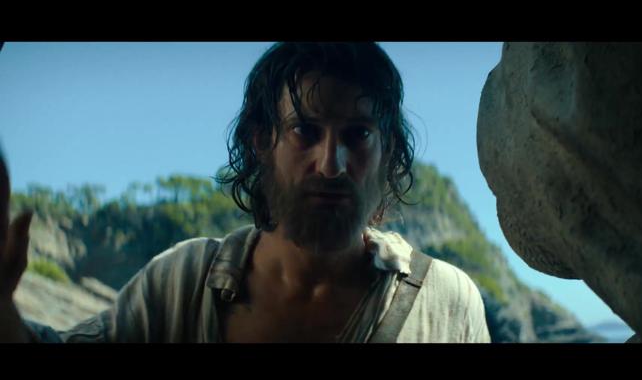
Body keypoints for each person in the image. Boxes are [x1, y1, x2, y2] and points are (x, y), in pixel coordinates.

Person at [0, 42, 491, 343]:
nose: (331, 164)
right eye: (305, 131)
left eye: (358, 134)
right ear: (262, 142)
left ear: (388, 152)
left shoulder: (442, 301)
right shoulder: (183, 284)